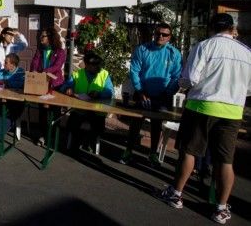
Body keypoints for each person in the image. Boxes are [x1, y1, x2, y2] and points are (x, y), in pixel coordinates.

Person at [158, 13, 251, 224]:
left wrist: (182, 84)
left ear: (212, 28)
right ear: (231, 29)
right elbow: (249, 88)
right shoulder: (247, 52)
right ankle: (220, 208)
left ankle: (176, 194)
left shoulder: (204, 46)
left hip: (202, 105)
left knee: (189, 151)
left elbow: (190, 78)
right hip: (232, 111)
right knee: (225, 160)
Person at [119, 22, 182, 166]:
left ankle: (153, 153)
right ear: (154, 34)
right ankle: (128, 150)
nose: (161, 36)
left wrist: (167, 93)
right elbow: (134, 70)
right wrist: (140, 90)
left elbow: (176, 77)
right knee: (136, 122)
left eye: (165, 34)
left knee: (156, 124)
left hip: (163, 95)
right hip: (142, 93)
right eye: (158, 33)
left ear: (169, 37)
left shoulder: (174, 53)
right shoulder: (142, 49)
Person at [63, 52, 114, 154]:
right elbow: (64, 87)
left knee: (98, 125)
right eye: (94, 65)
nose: (97, 67)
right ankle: (75, 144)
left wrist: (99, 94)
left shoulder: (104, 74)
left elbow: (110, 92)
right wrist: (68, 89)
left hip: (96, 111)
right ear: (86, 65)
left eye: (98, 64)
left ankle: (89, 142)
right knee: (73, 122)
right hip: (79, 109)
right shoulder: (77, 74)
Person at [30, 27, 66, 147]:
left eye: (43, 36)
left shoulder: (60, 52)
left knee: (54, 113)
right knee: (43, 113)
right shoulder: (39, 51)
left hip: (55, 85)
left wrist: (44, 72)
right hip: (41, 85)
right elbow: (34, 64)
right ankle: (43, 135)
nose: (40, 38)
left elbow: (57, 66)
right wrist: (34, 73)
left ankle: (52, 137)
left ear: (50, 38)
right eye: (40, 36)